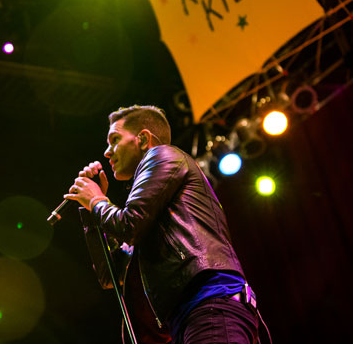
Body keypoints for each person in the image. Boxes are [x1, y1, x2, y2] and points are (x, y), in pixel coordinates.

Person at [64, 105, 260, 344]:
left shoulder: (162, 155)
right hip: (192, 317)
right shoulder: (153, 211)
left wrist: (97, 201)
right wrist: (90, 211)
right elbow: (110, 275)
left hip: (211, 303)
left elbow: (128, 225)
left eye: (114, 139)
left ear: (143, 139)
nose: (107, 152)